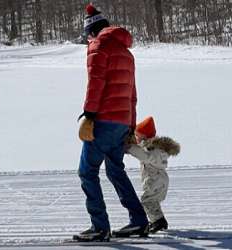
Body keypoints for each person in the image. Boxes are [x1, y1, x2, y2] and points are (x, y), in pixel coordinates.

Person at [75, 4, 149, 242]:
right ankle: (138, 221)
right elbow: (132, 94)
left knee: (87, 171)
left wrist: (89, 114)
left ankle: (99, 227)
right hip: (121, 121)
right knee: (115, 170)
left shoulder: (98, 46)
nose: (88, 39)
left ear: (93, 30)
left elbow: (95, 83)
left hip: (104, 120)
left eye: (88, 35)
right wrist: (130, 126)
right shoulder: (127, 53)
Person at [125, 116, 180, 234]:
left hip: (155, 179)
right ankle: (157, 220)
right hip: (160, 179)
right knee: (152, 201)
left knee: (147, 201)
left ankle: (159, 221)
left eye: (137, 136)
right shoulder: (157, 149)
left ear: (144, 136)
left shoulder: (151, 150)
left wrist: (129, 148)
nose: (136, 138)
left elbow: (143, 155)